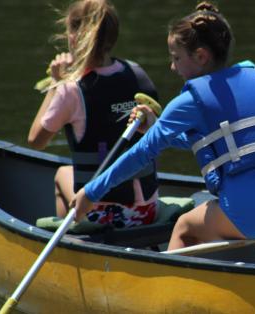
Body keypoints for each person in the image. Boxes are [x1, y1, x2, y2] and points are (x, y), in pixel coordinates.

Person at [70, 1, 255, 260]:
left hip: (249, 214)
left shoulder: (190, 101)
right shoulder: (250, 78)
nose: (172, 66)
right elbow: (206, 142)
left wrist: (91, 192)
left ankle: (165, 297)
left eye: (176, 57)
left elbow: (143, 153)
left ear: (201, 56)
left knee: (184, 227)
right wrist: (155, 126)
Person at [28, 0, 160, 229]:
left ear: (74, 37)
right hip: (147, 209)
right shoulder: (137, 72)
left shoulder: (71, 89)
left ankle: (71, 238)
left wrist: (56, 84)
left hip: (101, 212)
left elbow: (36, 141)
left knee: (62, 173)